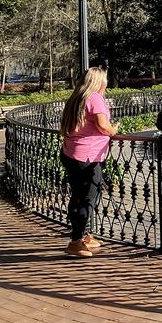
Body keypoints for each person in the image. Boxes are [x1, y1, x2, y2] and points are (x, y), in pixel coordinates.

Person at [59, 67, 119, 257]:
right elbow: (102, 125)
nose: (107, 83)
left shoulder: (77, 96)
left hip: (71, 152)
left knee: (78, 196)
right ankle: (75, 241)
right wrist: (113, 130)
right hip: (88, 157)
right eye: (106, 80)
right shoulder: (95, 98)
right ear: (100, 81)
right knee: (88, 198)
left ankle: (82, 235)